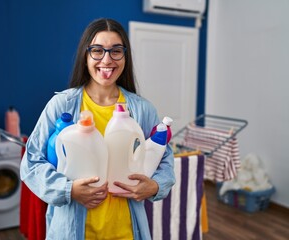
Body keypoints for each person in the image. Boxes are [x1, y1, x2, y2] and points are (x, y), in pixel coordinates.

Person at [20, 18, 175, 240]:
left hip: (126, 232)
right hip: (71, 231)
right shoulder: (62, 105)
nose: (107, 59)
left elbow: (165, 161)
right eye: (97, 50)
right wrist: (69, 190)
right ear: (86, 55)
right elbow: (31, 162)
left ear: (125, 56)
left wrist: (154, 186)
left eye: (116, 51)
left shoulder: (142, 109)